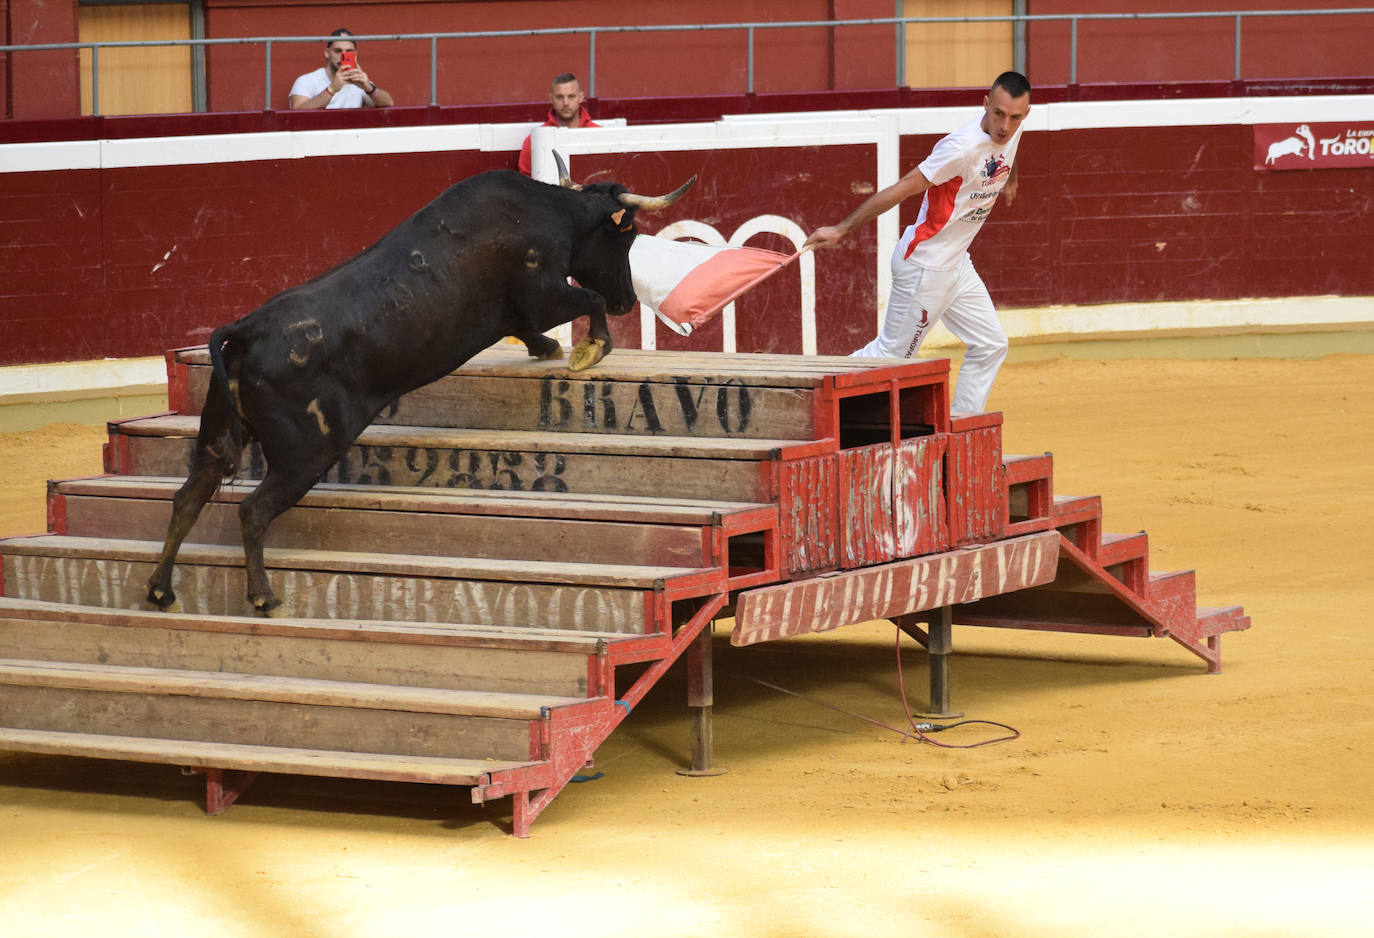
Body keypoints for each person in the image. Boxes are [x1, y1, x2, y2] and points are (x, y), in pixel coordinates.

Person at [804, 71, 1031, 415]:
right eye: (998, 113)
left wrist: (1010, 180)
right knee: (890, 358)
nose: (1005, 125)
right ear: (985, 104)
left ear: (1024, 115)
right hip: (924, 266)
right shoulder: (959, 148)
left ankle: (964, 427)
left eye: (1015, 117)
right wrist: (841, 228)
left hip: (956, 264)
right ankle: (807, 389)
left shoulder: (1013, 130)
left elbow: (1009, 151)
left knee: (990, 344)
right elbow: (902, 188)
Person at [289, 28, 394, 110]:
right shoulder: (307, 80)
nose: (343, 56)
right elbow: (297, 111)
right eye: (338, 51)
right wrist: (332, 89)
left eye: (349, 51)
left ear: (355, 55)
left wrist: (369, 89)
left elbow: (388, 104)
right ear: (327, 53)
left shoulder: (358, 79)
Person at [518, 73, 599, 176]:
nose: (565, 103)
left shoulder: (598, 133)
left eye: (571, 96)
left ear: (581, 97)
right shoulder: (533, 141)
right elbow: (526, 183)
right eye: (560, 97)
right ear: (551, 98)